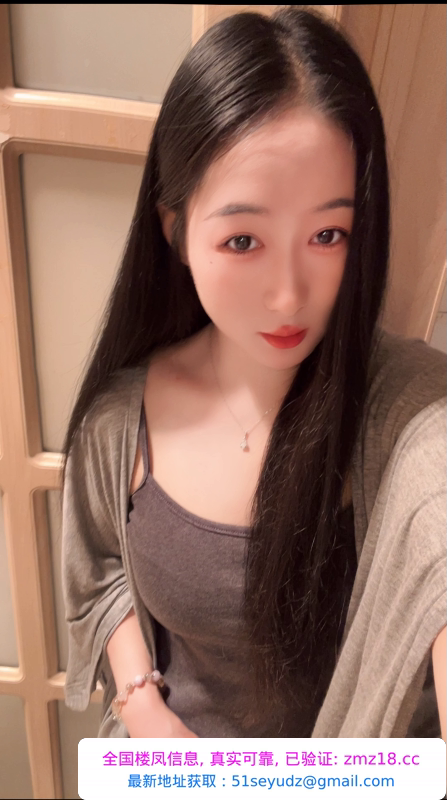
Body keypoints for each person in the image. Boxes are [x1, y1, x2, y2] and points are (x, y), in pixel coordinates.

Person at [61, 6, 446, 739]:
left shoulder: (401, 414)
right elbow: (101, 565)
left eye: (327, 234)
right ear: (176, 232)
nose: (290, 296)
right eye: (243, 240)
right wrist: (142, 705)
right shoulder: (119, 422)